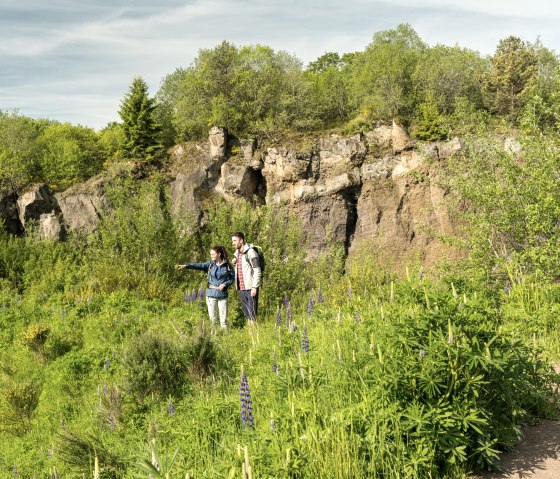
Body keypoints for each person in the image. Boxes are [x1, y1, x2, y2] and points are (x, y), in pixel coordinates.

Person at [175, 246, 234, 329]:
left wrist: (225, 284)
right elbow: (199, 265)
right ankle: (214, 338)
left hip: (223, 296)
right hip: (211, 294)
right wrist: (187, 266)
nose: (211, 256)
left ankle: (225, 338)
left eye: (213, 254)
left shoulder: (227, 266)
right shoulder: (210, 264)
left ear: (219, 254)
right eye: (211, 254)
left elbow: (232, 278)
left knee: (223, 322)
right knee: (213, 320)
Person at [231, 232, 261, 324]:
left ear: (241, 240)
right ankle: (250, 336)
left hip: (250, 288)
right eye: (232, 241)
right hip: (242, 288)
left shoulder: (251, 252)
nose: (233, 243)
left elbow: (257, 270)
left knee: (252, 315)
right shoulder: (238, 253)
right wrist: (235, 260)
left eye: (235, 240)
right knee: (247, 315)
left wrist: (254, 287)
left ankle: (254, 336)